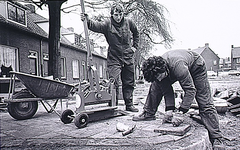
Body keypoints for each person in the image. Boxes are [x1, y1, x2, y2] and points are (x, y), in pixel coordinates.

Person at [132, 49, 225, 148]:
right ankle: (148, 113)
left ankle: (216, 137)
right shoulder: (158, 71)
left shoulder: (178, 67)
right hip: (173, 68)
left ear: (163, 69)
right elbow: (167, 91)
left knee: (204, 101)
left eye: (159, 76)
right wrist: (169, 110)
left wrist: (181, 112)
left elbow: (190, 90)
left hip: (196, 66)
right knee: (156, 86)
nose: (159, 79)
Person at [81, 3, 139, 112]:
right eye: (116, 14)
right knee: (114, 81)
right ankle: (113, 104)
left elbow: (136, 33)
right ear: (112, 15)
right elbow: (95, 26)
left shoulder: (129, 22)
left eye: (120, 14)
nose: (118, 17)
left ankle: (129, 104)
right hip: (114, 57)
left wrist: (134, 47)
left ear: (123, 14)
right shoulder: (107, 24)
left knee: (129, 81)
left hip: (128, 56)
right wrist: (87, 20)